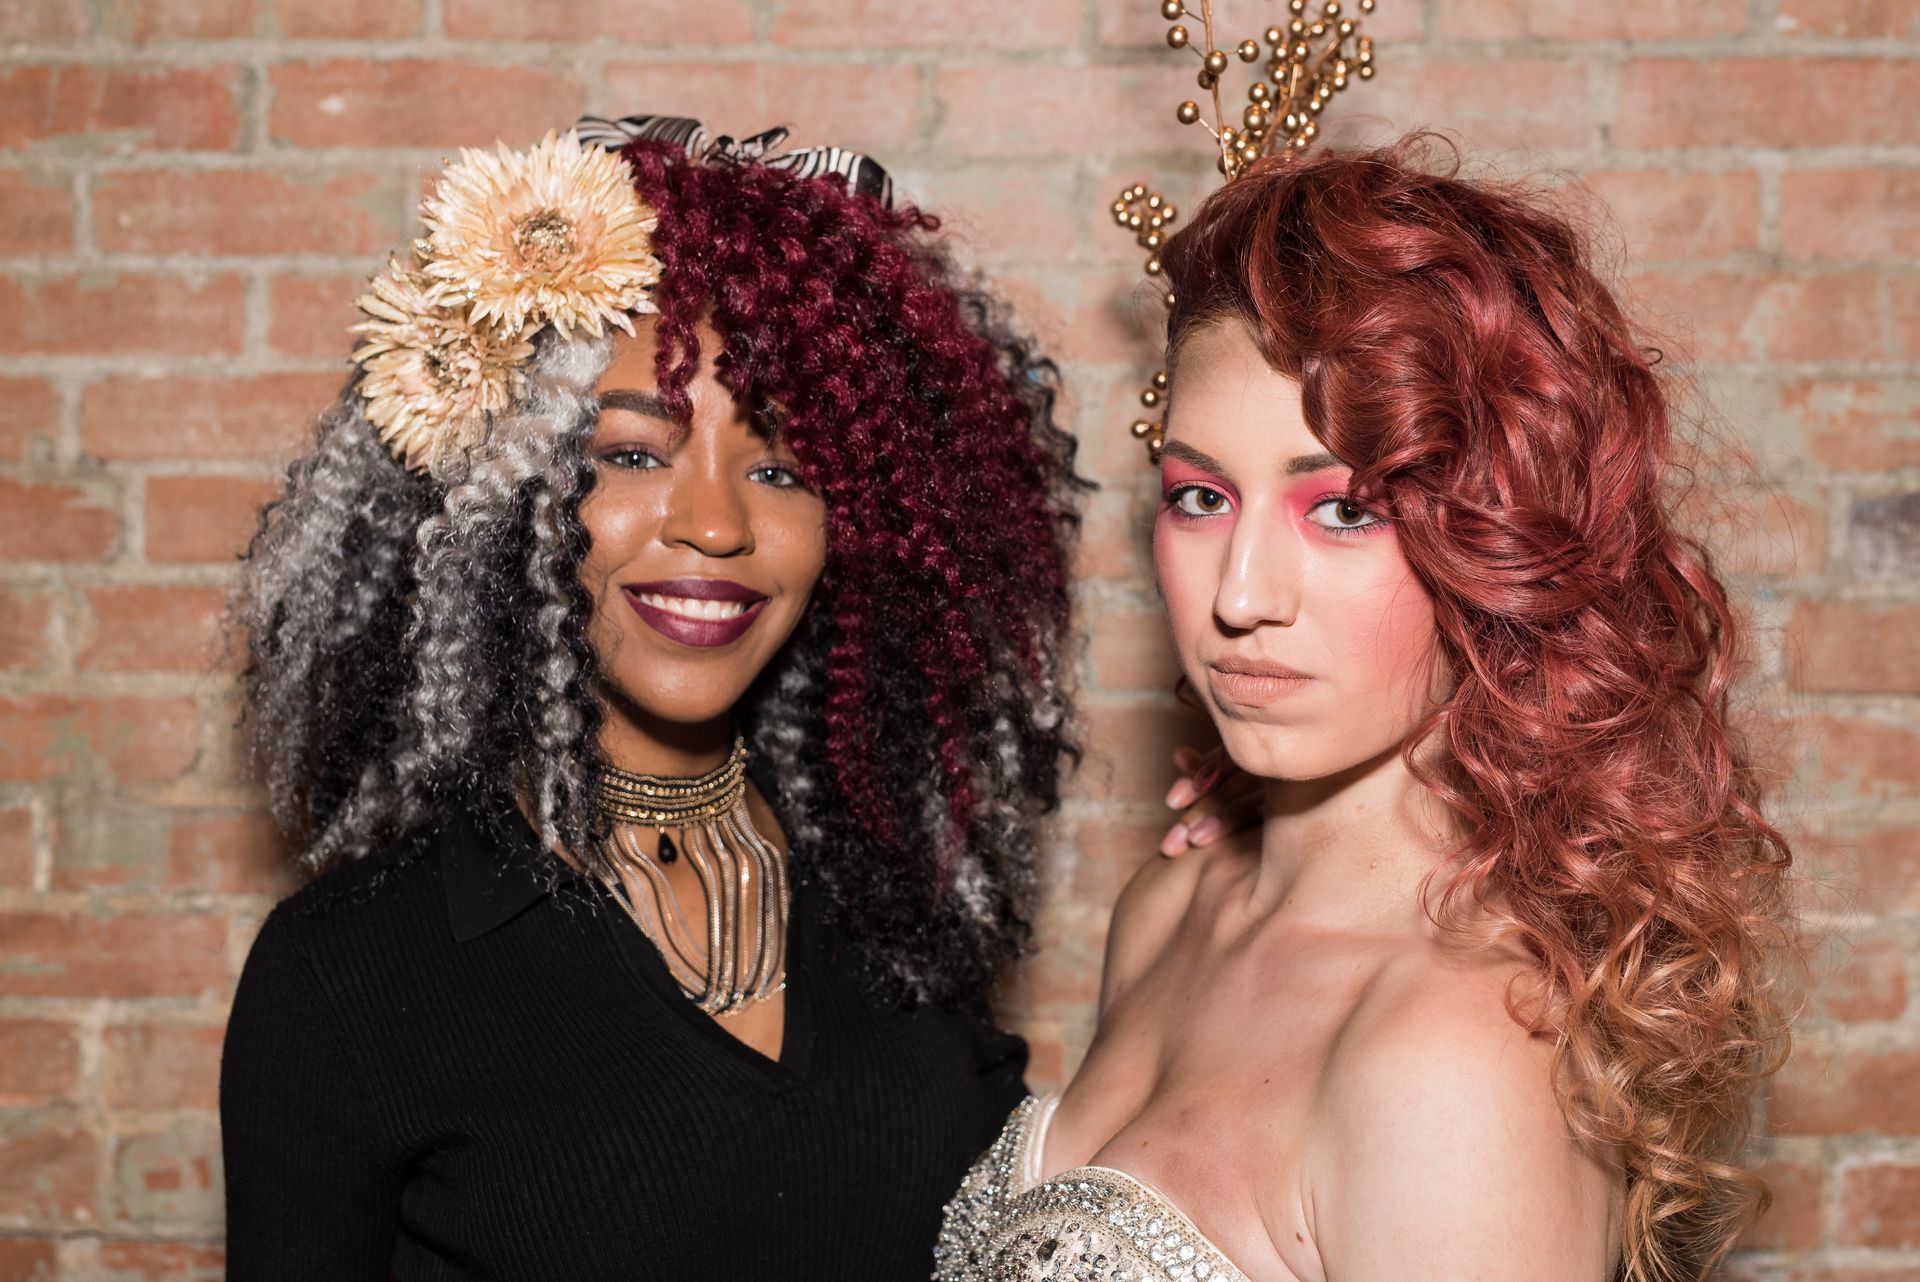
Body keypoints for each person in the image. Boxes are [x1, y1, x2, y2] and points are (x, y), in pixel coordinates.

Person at [219, 117, 1090, 1279]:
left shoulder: (902, 906)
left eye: (781, 469)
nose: (718, 524)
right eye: (633, 455)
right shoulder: (357, 973)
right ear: (500, 501)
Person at [935, 138, 1794, 1282]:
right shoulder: (1170, 909)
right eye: (1200, 497)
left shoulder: (1456, 1058)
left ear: (1498, 538)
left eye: (1340, 511)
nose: (1239, 595)